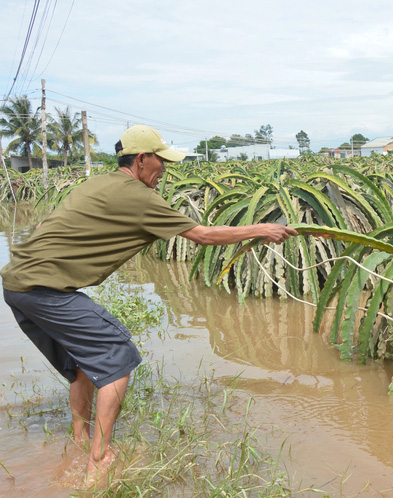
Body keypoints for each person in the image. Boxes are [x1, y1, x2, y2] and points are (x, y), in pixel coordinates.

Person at [0, 124, 297, 484]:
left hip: (16, 282)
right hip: (45, 289)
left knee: (83, 362)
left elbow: (48, 221)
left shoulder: (98, 183)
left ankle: (79, 441)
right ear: (141, 160)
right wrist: (262, 229)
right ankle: (100, 459)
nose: (164, 170)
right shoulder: (138, 196)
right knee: (117, 356)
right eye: (161, 162)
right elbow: (202, 236)